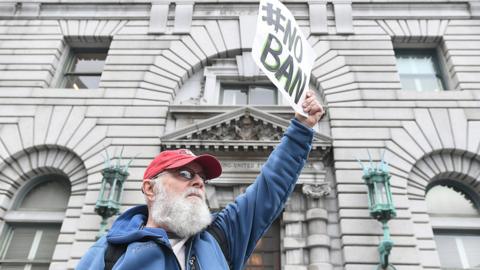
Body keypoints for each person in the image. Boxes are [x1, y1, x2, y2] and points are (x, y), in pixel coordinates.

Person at [77, 90, 325, 270]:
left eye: (202, 177)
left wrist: (302, 128)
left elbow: (270, 187)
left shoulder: (220, 237)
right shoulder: (107, 253)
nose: (198, 182)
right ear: (150, 189)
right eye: (184, 174)